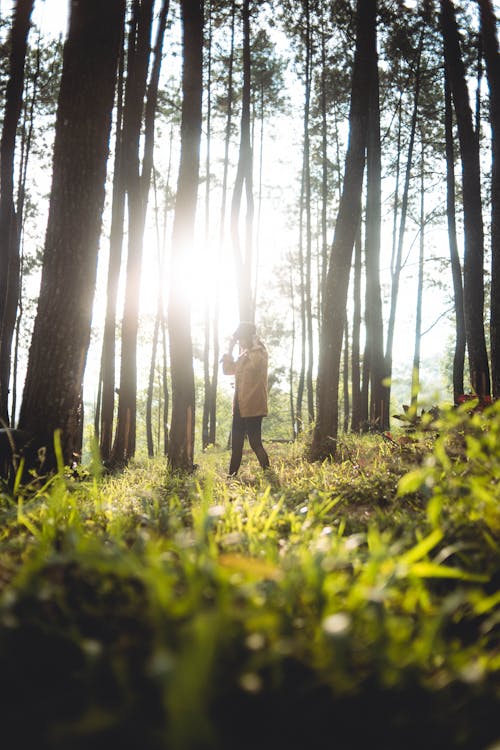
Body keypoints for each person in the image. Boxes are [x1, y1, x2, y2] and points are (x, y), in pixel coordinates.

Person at [222, 321, 270, 477]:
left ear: (250, 337)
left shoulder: (260, 353)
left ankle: (268, 473)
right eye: (238, 339)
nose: (240, 342)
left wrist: (254, 344)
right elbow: (228, 370)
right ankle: (231, 477)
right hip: (239, 407)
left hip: (253, 407)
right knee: (236, 446)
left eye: (241, 338)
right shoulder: (243, 355)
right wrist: (230, 348)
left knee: (255, 443)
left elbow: (256, 364)